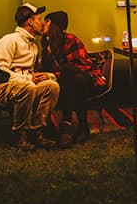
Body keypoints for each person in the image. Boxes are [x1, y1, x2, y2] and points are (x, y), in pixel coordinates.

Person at [0, 3, 60, 152]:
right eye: (39, 19)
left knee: (52, 86)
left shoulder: (33, 46)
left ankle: (37, 131)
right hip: (2, 87)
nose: (42, 23)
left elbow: (35, 73)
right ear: (30, 22)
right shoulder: (10, 40)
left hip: (24, 85)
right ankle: (19, 134)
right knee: (28, 87)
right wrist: (29, 79)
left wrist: (46, 76)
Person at [41, 11, 108, 148]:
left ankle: (68, 122)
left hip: (87, 77)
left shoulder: (70, 39)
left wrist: (55, 75)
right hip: (70, 83)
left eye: (47, 21)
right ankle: (79, 125)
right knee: (72, 80)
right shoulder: (47, 43)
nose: (43, 23)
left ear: (54, 25)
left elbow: (83, 66)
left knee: (70, 72)